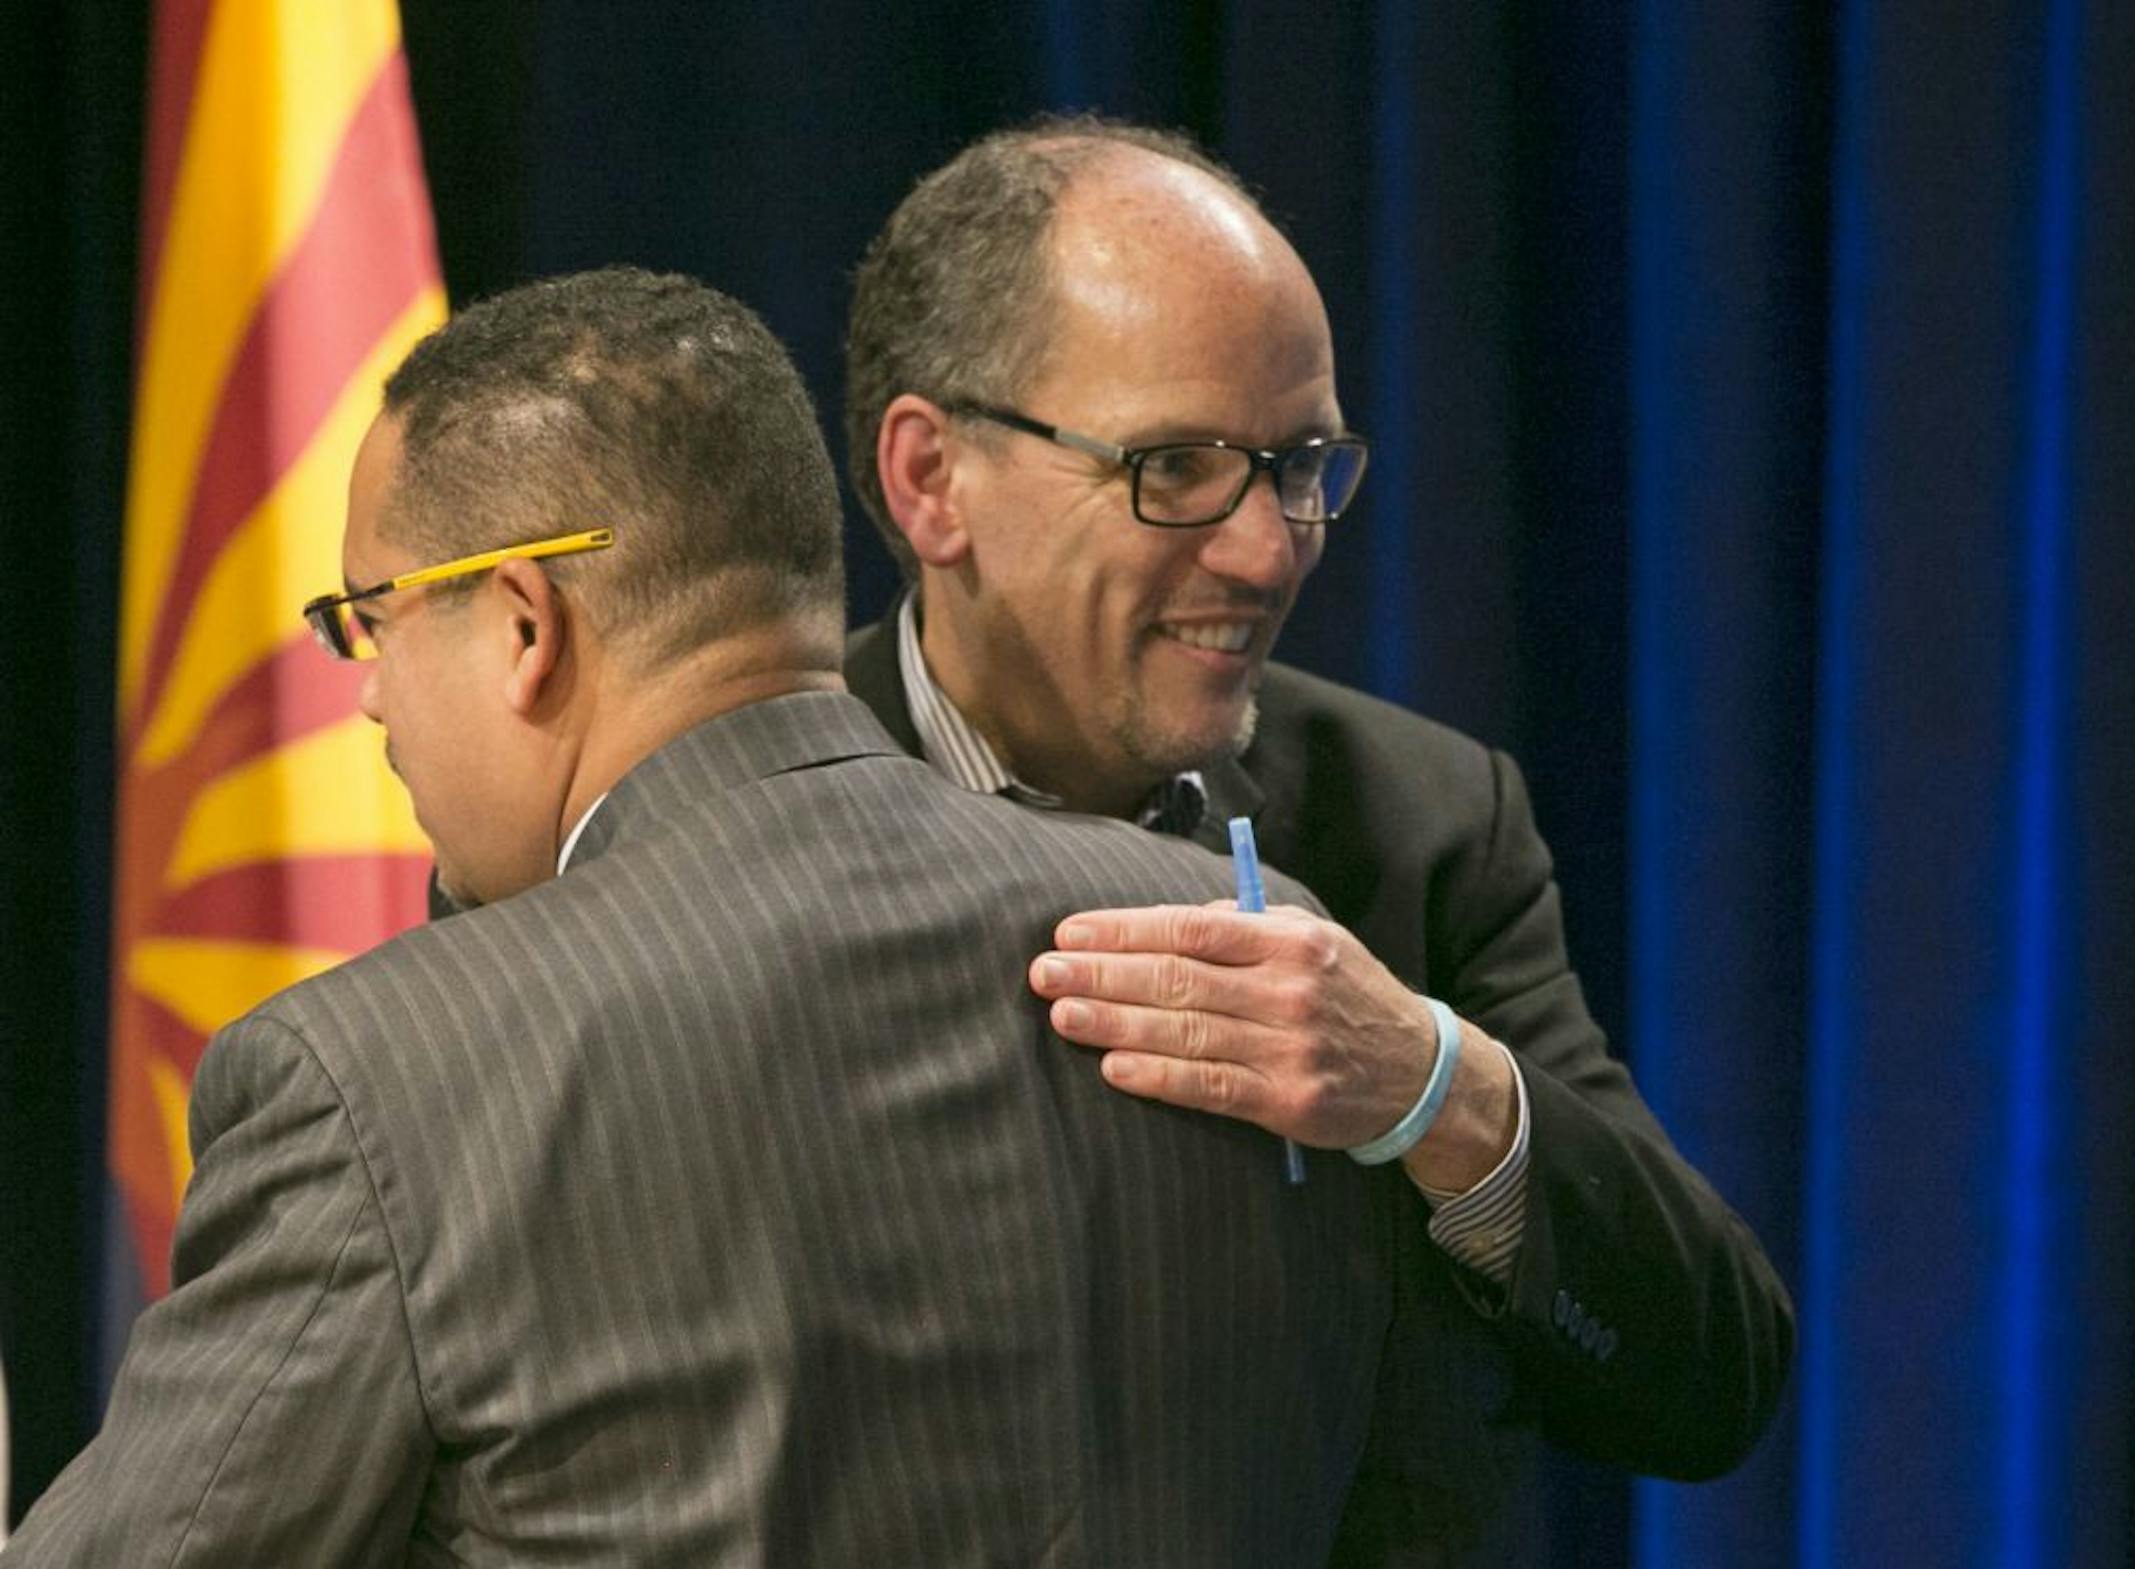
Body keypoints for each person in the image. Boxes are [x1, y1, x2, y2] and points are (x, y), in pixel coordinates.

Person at [11, 268, 1429, 1564]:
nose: (370, 692)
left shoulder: (384, 1083)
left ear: (523, 623)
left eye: (373, 618)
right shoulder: (1252, 968)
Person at [842, 117, 1796, 1558]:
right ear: (932, 479)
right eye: (1176, 468)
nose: (1268, 547)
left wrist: (1433, 1088)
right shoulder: (685, 835)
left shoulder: (1417, 829)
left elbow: (1707, 1382)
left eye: (1301, 465)